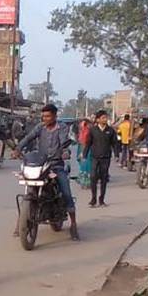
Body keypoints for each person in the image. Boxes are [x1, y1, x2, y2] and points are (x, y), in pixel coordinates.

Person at [19, 103, 79, 240]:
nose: (45, 119)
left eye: (48, 116)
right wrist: (18, 148)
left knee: (66, 192)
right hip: (41, 164)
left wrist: (65, 152)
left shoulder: (62, 127)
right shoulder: (40, 127)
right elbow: (28, 138)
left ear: (54, 116)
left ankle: (74, 225)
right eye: (43, 116)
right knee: (29, 188)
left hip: (56, 165)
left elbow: (65, 142)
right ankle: (20, 224)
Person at [87, 110, 120, 207]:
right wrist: (84, 154)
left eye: (106, 117)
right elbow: (88, 143)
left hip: (106, 158)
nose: (105, 119)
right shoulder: (93, 130)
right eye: (103, 118)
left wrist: (117, 154)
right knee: (93, 177)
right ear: (98, 119)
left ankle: (101, 199)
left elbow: (114, 143)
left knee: (104, 178)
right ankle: (93, 199)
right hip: (94, 157)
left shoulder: (110, 130)